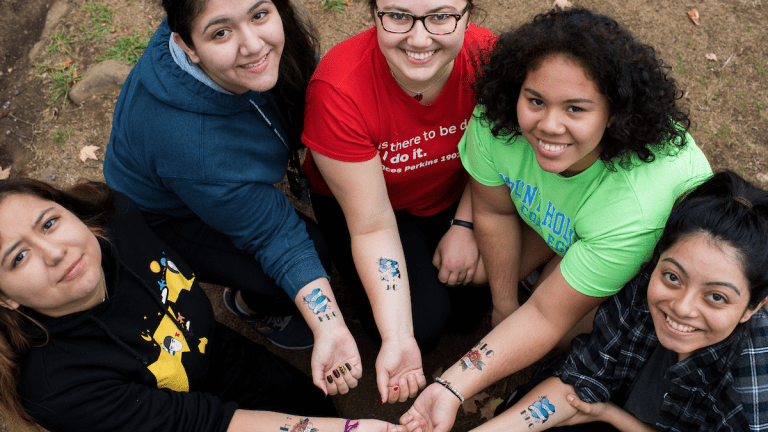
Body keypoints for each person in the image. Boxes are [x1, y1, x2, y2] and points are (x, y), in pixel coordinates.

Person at [400, 8, 712, 431]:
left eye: (576, 109)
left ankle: (557, 269)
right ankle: (549, 264)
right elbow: (492, 209)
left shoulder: (638, 204)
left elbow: (547, 316)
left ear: (614, 114)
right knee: (480, 277)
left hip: (638, 263)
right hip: (574, 223)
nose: (548, 126)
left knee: (565, 333)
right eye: (535, 101)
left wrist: (450, 386)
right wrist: (504, 306)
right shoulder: (498, 120)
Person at [0, 178, 406, 432]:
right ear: (6, 298)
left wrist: (327, 326)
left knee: (312, 405)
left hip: (218, 354)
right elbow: (205, 423)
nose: (54, 252)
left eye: (49, 222)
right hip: (182, 422)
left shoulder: (118, 216)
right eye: (18, 258)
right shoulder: (59, 389)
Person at [103, 0, 362, 394]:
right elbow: (275, 236)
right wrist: (330, 324)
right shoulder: (194, 149)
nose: (254, 45)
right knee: (309, 251)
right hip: (164, 215)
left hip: (208, 177)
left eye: (260, 15)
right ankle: (252, 305)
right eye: (221, 32)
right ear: (187, 45)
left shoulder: (213, 24)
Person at [301, 0, 495, 405]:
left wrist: (466, 224)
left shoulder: (488, 58)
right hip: (372, 210)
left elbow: (498, 161)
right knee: (421, 327)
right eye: (398, 16)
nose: (419, 38)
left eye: (441, 17)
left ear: (467, 15)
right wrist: (399, 336)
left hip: (455, 193)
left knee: (471, 308)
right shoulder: (340, 88)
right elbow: (372, 224)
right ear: (374, 15)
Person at [469, 170, 768, 431]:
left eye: (716, 297)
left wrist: (614, 418)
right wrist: (609, 414)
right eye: (674, 277)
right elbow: (584, 375)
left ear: (753, 307)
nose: (682, 307)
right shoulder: (645, 284)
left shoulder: (748, 405)